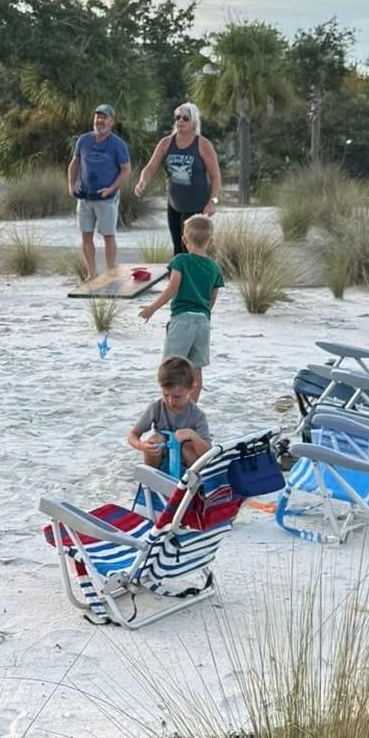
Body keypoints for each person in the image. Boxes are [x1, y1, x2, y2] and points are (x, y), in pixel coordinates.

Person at [137, 213, 223, 401]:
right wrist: (204, 313)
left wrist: (152, 308)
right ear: (210, 241)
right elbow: (212, 297)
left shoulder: (181, 260)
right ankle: (192, 406)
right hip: (203, 321)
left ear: (184, 240)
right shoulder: (214, 267)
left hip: (182, 319)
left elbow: (172, 288)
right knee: (196, 367)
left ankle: (169, 404)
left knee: (172, 365)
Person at [133, 101, 222, 258]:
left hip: (196, 206)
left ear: (194, 121)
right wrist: (142, 182)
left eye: (185, 118)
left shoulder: (203, 145)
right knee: (177, 245)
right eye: (177, 117)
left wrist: (213, 201)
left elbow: (215, 177)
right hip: (174, 204)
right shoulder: (166, 143)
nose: (180, 121)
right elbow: (150, 167)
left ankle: (193, 273)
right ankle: (178, 273)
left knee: (192, 248)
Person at [67, 104, 131, 281]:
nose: (100, 120)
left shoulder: (118, 144)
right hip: (85, 197)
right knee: (86, 235)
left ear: (111, 122)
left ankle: (110, 273)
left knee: (108, 236)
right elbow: (75, 162)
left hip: (106, 198)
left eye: (104, 117)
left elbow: (126, 170)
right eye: (98, 117)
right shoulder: (83, 140)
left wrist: (111, 188)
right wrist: (71, 184)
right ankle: (91, 273)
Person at [126, 356, 211, 470]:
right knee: (155, 440)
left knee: (188, 448)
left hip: (185, 464)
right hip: (162, 456)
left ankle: (192, 478)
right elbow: (133, 435)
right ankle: (152, 475)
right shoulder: (156, 407)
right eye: (166, 395)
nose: (170, 401)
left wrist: (193, 435)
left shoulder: (197, 415)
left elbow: (208, 452)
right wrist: (142, 446)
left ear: (191, 389)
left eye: (177, 396)